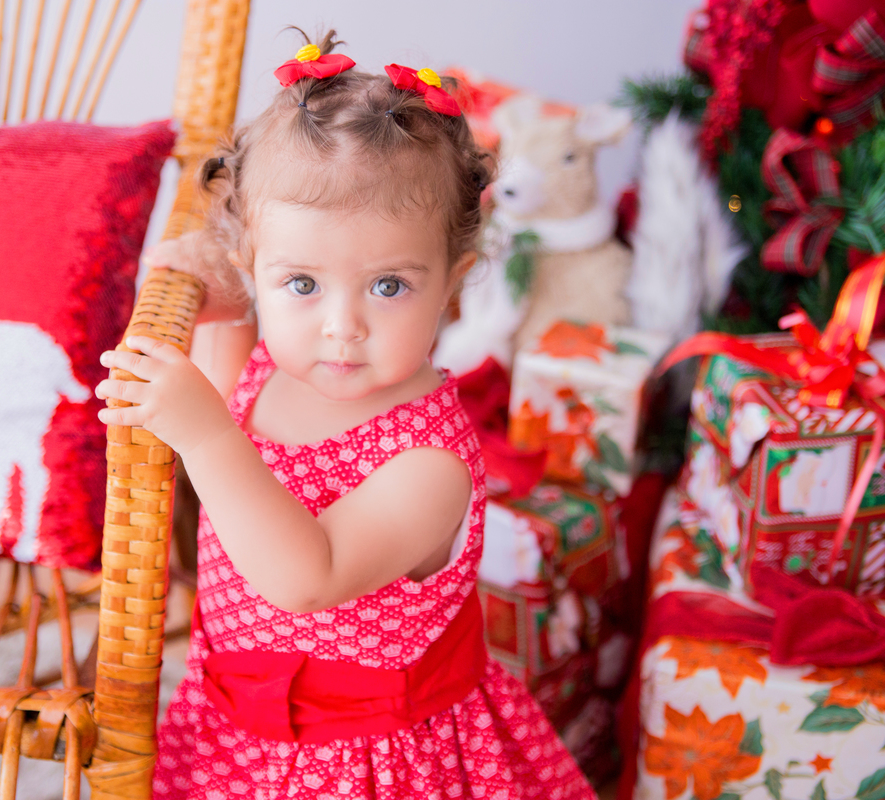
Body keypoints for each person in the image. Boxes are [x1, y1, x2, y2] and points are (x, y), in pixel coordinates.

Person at [95, 31, 596, 800]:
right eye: (302, 284)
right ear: (252, 266)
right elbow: (225, 379)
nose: (342, 326)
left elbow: (307, 577)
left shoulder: (429, 463)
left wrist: (203, 433)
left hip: (367, 762)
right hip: (236, 720)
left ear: (452, 282)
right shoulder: (276, 363)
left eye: (389, 286)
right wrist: (212, 297)